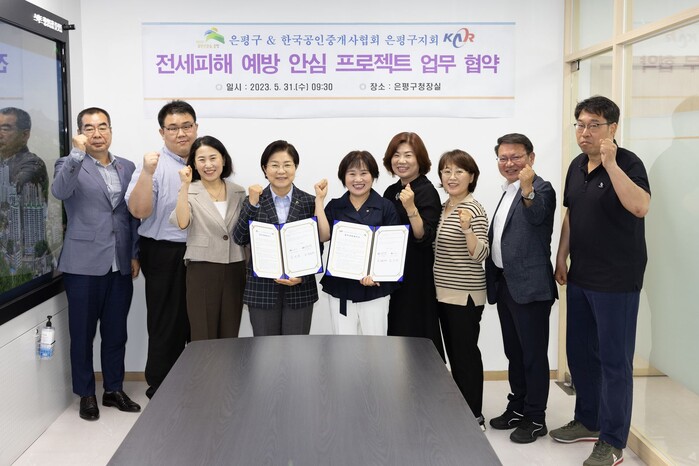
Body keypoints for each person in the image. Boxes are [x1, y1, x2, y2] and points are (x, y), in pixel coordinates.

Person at [550, 96, 650, 466]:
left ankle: (612, 441)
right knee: (580, 354)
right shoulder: (576, 166)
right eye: (580, 124)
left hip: (617, 281)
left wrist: (611, 164)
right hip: (581, 276)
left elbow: (639, 206)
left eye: (594, 125)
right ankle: (588, 419)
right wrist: (561, 255)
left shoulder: (628, 162)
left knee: (614, 363)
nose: (585, 132)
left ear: (612, 128)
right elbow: (572, 213)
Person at [51, 107, 141, 421]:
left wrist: (134, 253)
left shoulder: (127, 167)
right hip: (82, 264)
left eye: (103, 126)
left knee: (116, 333)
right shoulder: (68, 163)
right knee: (82, 334)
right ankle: (86, 393)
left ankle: (113, 389)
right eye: (89, 128)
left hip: (119, 263)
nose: (97, 133)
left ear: (111, 130)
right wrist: (76, 154)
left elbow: (132, 214)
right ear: (80, 133)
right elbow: (60, 191)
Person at [485, 133, 557, 443]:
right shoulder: (506, 191)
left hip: (531, 288)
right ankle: (517, 407)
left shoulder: (541, 188)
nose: (509, 163)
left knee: (533, 355)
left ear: (531, 158)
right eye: (503, 157)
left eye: (516, 157)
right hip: (506, 285)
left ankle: (536, 418)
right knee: (514, 353)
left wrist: (527, 188)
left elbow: (538, 215)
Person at [126, 100, 197, 399]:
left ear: (195, 127)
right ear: (162, 132)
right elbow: (138, 211)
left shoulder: (207, 160)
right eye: (173, 128)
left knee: (198, 320)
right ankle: (163, 387)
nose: (181, 133)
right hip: (164, 252)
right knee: (166, 321)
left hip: (201, 252)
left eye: (186, 126)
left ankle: (199, 383)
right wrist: (146, 172)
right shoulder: (153, 166)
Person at [233, 140, 329, 336]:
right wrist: (252, 204)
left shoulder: (309, 201)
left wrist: (302, 276)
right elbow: (239, 238)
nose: (281, 171)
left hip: (300, 290)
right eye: (274, 165)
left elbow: (317, 246)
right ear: (265, 168)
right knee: (265, 349)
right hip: (262, 291)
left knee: (296, 349)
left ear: (295, 167)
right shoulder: (253, 200)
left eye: (287, 165)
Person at [433, 149, 489, 430]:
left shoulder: (473, 209)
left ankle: (474, 416)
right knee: (454, 356)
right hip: (443, 293)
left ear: (472, 176)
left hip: (465, 295)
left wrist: (467, 229)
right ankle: (460, 411)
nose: (452, 177)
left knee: (465, 356)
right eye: (446, 171)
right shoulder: (445, 207)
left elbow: (481, 254)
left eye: (459, 171)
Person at [171, 136, 247, 340]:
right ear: (194, 164)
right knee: (203, 333)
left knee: (229, 333)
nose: (208, 165)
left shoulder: (238, 191)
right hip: (202, 268)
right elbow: (182, 222)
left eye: (213, 158)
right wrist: (185, 186)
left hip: (235, 266)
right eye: (201, 159)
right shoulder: (189, 190)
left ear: (223, 159)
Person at [321, 150, 400, 335]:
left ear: (373, 176)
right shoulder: (334, 206)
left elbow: (393, 248)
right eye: (352, 174)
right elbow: (323, 236)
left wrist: (377, 274)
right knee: (343, 345)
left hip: (375, 289)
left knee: (375, 345)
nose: (358, 179)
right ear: (343, 177)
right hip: (341, 288)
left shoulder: (385, 207)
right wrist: (319, 200)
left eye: (364, 173)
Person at [382, 132, 445, 361]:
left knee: (417, 335)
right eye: (396, 155)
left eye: (408, 155)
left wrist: (410, 207)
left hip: (417, 275)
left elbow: (424, 236)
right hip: (392, 274)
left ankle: (425, 381)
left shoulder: (426, 191)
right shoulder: (391, 191)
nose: (401, 160)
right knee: (395, 334)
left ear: (420, 159)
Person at [0, 107, 48, 197]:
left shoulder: (32, 164)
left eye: (5, 129)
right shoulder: (3, 160)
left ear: (25, 135)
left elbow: (11, 194)